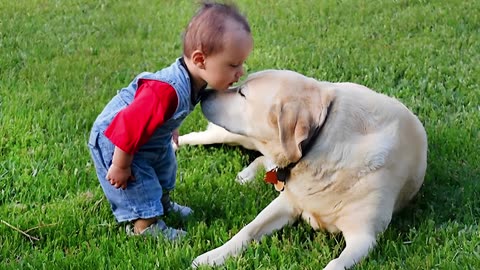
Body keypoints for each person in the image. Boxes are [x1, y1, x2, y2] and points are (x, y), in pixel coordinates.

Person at [87, 1, 253, 240]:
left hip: (149, 136)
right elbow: (128, 123)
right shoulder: (165, 91)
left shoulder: (195, 80)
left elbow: (163, 115)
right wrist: (121, 165)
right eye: (233, 65)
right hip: (118, 141)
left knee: (165, 168)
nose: (241, 71)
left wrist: (171, 128)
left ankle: (162, 203)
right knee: (138, 180)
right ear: (200, 60)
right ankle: (145, 226)